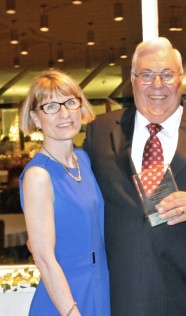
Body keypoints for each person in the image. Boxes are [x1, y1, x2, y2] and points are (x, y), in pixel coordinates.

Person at [83, 37, 186, 316]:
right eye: (147, 75)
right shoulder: (99, 132)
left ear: (181, 78)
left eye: (167, 74)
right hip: (123, 295)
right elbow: (79, 193)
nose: (157, 85)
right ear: (133, 79)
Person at [19, 69, 110, 316]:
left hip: (101, 287)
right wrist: (71, 312)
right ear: (36, 119)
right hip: (66, 299)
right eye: (50, 106)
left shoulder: (84, 159)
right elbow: (45, 260)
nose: (64, 113)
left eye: (70, 102)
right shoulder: (38, 176)